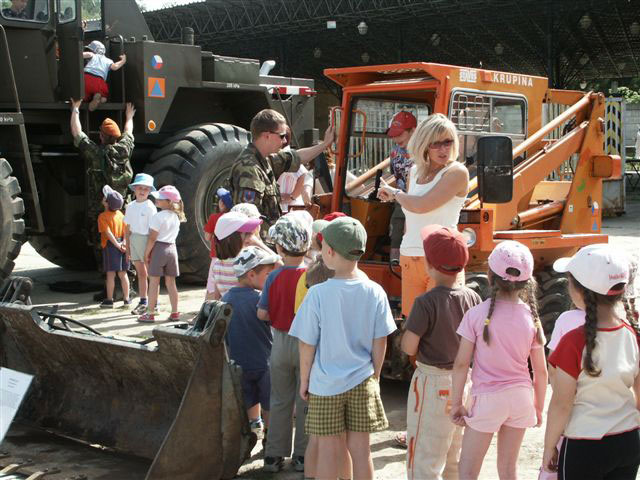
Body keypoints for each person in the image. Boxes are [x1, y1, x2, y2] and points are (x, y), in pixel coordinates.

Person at [290, 216, 397, 480]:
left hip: (325, 384)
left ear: (328, 251)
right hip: (363, 380)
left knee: (328, 450)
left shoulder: (317, 294)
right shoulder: (375, 291)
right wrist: (375, 376)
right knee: (362, 451)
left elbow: (306, 343)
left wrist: (305, 380)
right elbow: (381, 340)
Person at [450, 240, 547, 480]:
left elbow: (461, 365)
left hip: (487, 399)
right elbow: (541, 371)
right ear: (527, 281)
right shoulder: (532, 318)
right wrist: (538, 407)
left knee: (468, 470)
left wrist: (456, 403)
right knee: (508, 469)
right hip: (521, 398)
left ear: (489, 275)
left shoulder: (475, 315)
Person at [542, 245, 640, 480]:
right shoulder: (633, 334)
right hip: (628, 440)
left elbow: (562, 404)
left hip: (584, 445)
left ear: (579, 291)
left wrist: (549, 446)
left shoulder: (573, 341)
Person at [401, 225, 482, 480]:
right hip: (463, 382)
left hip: (432, 383)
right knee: (454, 455)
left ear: (429, 265)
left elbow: (409, 347)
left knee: (425, 456)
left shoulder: (425, 302)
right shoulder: (473, 298)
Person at [378, 113, 469, 319]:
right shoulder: (415, 171)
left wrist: (395, 194)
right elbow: (412, 213)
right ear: (424, 144)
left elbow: (421, 206)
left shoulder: (457, 172)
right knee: (412, 326)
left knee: (440, 327)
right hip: (410, 256)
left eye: (448, 142)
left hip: (443, 259)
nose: (443, 149)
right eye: (436, 143)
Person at [256, 215, 310, 473]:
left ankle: (273, 456)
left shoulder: (273, 277)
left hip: (279, 342)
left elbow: (262, 314)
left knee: (279, 399)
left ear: (279, 247)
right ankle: (302, 456)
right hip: (307, 344)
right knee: (305, 400)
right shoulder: (312, 276)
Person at [228, 109, 334, 241]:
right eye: (282, 136)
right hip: (260, 245)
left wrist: (325, 144)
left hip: (269, 241)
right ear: (267, 135)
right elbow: (247, 224)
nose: (284, 141)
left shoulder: (264, 160)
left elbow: (297, 157)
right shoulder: (249, 169)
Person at [223, 246, 281, 444]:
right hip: (265, 362)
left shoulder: (225, 299)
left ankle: (252, 429)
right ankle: (269, 437)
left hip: (238, 363)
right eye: (267, 274)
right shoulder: (260, 300)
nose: (270, 278)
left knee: (247, 400)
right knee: (269, 402)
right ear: (251, 274)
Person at [70, 99, 135, 248]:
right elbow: (128, 131)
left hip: (102, 208)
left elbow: (77, 133)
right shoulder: (125, 149)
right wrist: (129, 116)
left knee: (102, 243)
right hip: (123, 208)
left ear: (101, 136)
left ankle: (104, 261)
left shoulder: (96, 153)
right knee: (123, 240)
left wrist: (75, 109)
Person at [138, 186, 186, 323]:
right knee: (171, 283)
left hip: (159, 249)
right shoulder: (176, 217)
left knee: (154, 282)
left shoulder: (158, 217)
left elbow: (152, 238)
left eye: (160, 198)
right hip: (172, 249)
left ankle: (150, 313)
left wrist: (146, 253)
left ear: (169, 202)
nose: (157, 199)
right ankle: (175, 312)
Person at [207, 211, 262, 300]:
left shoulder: (217, 264)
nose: (250, 235)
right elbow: (278, 264)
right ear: (233, 238)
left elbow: (217, 297)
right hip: (250, 307)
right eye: (246, 233)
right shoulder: (247, 260)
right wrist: (258, 243)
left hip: (230, 308)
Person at [124, 173, 157, 315]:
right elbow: (127, 228)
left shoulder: (150, 206)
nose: (142, 191)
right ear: (134, 189)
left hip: (146, 240)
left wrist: (150, 248)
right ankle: (143, 301)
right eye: (140, 187)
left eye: (146, 188)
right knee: (140, 273)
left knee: (151, 274)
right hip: (134, 240)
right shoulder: (130, 206)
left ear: (150, 191)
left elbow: (153, 229)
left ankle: (154, 303)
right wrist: (127, 248)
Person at [386, 111, 417, 261]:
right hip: (400, 201)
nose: (396, 139)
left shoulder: (425, 153)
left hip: (419, 201)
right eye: (393, 135)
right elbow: (395, 176)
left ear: (413, 131)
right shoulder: (394, 154)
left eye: (399, 134)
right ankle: (395, 265)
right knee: (396, 235)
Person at [98, 185, 130, 308]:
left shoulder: (102, 216)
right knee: (123, 274)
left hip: (111, 246)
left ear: (106, 203)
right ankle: (126, 299)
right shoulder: (121, 215)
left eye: (104, 197)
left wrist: (117, 245)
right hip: (123, 245)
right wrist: (124, 243)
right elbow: (126, 230)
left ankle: (109, 300)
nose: (103, 198)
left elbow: (107, 233)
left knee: (110, 274)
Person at [204, 188, 233, 301]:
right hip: (231, 256)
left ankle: (209, 307)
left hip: (217, 256)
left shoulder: (214, 218)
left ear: (221, 203)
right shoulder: (234, 218)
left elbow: (207, 237)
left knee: (212, 286)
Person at [83, 40, 127, 111]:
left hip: (86, 78)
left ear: (95, 51)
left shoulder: (92, 55)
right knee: (104, 98)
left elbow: (83, 54)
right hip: (99, 80)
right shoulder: (108, 60)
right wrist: (123, 61)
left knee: (83, 95)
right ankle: (98, 99)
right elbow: (115, 67)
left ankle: (83, 100)